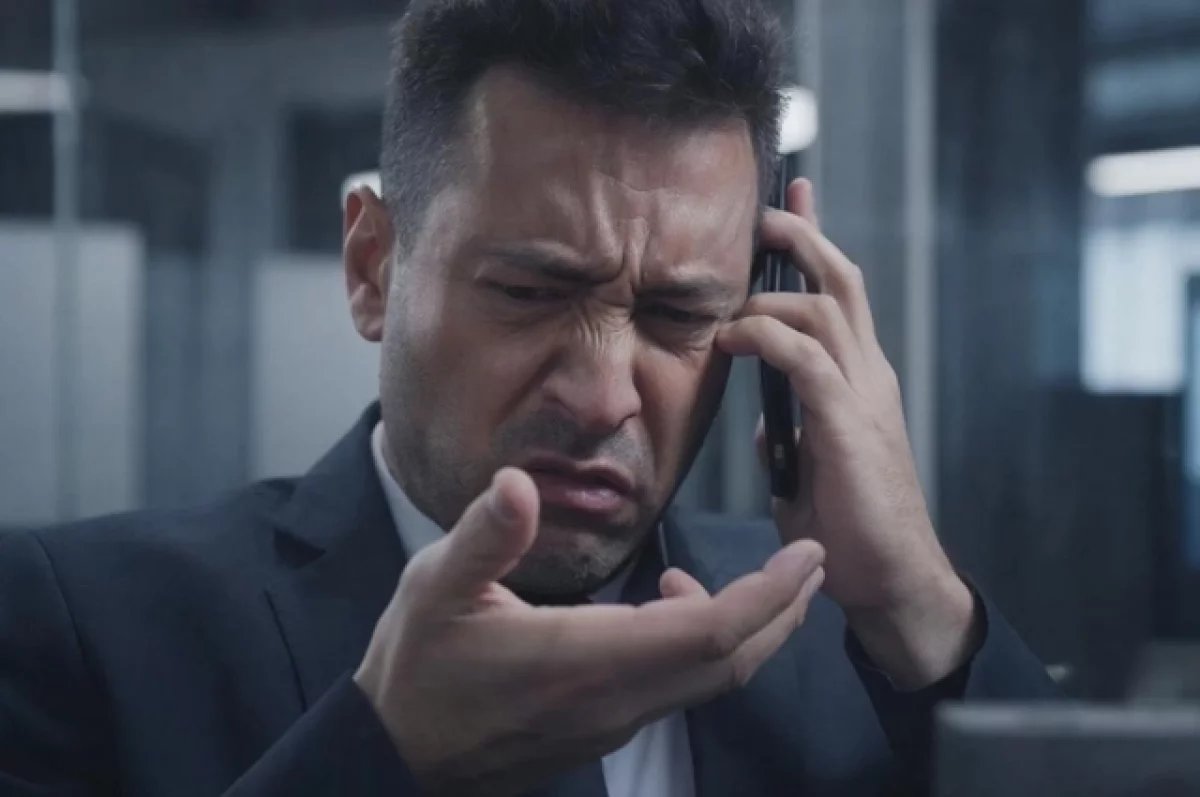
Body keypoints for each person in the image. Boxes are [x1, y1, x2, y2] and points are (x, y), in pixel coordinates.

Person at [0, 0, 1060, 795]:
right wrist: (378, 752)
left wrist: (919, 605)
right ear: (373, 267)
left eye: (678, 313)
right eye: (530, 292)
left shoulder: (836, 633)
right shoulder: (83, 627)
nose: (601, 398)